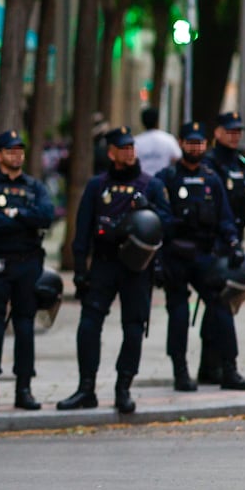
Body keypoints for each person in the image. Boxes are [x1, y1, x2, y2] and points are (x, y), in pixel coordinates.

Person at [58, 126, 171, 414]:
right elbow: (82, 229)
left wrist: (150, 212)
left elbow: (167, 224)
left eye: (132, 147)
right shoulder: (97, 186)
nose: (129, 152)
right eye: (123, 148)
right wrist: (80, 270)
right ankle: (86, 388)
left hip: (136, 268)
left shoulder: (151, 185)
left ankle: (124, 387)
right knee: (88, 325)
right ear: (111, 153)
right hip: (104, 264)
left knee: (134, 328)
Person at [155, 121, 245, 392]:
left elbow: (225, 218)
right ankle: (180, 371)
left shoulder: (212, 179)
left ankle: (229, 368)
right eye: (190, 143)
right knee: (178, 312)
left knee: (222, 305)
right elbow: (158, 216)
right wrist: (179, 223)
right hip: (176, 255)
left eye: (199, 143)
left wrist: (233, 243)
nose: (195, 148)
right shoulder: (167, 178)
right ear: (181, 143)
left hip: (204, 255)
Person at [0, 130, 54, 412]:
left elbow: (46, 216)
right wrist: (24, 218)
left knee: (25, 327)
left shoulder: (35, 187)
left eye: (20, 150)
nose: (16, 155)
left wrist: (13, 215)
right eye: (10, 150)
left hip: (27, 264)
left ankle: (24, 389)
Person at [198, 110, 245, 383]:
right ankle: (223, 367)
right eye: (229, 131)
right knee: (219, 301)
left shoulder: (241, 163)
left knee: (217, 305)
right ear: (217, 133)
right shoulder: (209, 164)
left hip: (232, 239)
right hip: (213, 244)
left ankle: (209, 367)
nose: (234, 136)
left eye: (238, 131)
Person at [133, 106, 181, 176]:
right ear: (158, 121)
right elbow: (177, 158)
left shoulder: (136, 141)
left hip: (142, 182)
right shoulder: (168, 139)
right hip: (163, 181)